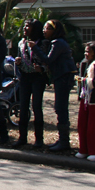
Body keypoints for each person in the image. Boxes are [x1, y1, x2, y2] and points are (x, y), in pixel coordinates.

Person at [29, 19, 77, 152]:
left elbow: (48, 59)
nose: (44, 31)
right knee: (59, 108)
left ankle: (64, 142)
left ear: (55, 30)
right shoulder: (57, 42)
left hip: (63, 77)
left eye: (47, 28)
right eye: (44, 28)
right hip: (60, 77)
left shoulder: (58, 43)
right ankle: (62, 140)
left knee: (61, 108)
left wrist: (35, 48)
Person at [13, 19, 47, 148]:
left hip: (38, 77)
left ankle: (39, 140)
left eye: (28, 26)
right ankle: (22, 138)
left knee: (36, 107)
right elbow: (20, 58)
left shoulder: (42, 42)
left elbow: (47, 60)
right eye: (25, 26)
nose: (25, 29)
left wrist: (42, 69)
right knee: (23, 107)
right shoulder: (21, 42)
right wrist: (18, 61)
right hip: (25, 77)